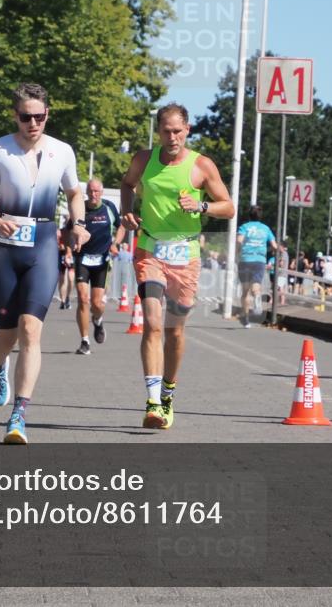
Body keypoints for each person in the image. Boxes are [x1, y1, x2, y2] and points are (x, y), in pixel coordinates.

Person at [0, 82, 90, 444]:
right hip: (5, 246)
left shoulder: (62, 151)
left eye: (39, 116)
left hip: (44, 244)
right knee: (6, 335)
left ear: (48, 114)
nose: (33, 123)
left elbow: (74, 192)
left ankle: (19, 415)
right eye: (25, 117)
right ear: (15, 116)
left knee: (31, 329)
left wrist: (78, 224)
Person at [120, 104, 234, 429]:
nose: (172, 137)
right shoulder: (144, 160)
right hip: (150, 249)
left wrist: (201, 205)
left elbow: (229, 207)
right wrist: (127, 212)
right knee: (153, 324)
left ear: (187, 130)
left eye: (177, 131)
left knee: (175, 331)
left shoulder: (201, 166)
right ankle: (153, 401)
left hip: (186, 257)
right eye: (166, 131)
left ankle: (169, 392)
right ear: (158, 131)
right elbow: (127, 185)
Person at [73, 178, 126, 355]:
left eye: (96, 191)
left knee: (96, 303)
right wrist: (71, 244)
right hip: (82, 258)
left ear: (101, 192)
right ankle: (84, 341)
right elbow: (68, 230)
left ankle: (97, 319)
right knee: (82, 298)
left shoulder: (109, 208)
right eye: (90, 191)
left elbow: (121, 227)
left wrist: (115, 243)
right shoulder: (80, 208)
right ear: (86, 192)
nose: (93, 194)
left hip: (102, 260)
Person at [236, 205, 278, 327]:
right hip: (259, 260)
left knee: (245, 291)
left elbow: (239, 241)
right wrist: (275, 254)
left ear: (249, 215)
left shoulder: (244, 227)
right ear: (260, 216)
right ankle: (258, 299)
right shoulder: (266, 229)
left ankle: (246, 318)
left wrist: (236, 253)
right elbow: (275, 246)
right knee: (256, 286)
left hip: (245, 259)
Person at [57, 228, 75, 309]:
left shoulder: (76, 231)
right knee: (61, 279)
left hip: (71, 256)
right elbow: (57, 244)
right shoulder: (61, 231)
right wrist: (60, 246)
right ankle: (62, 300)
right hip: (62, 256)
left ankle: (68, 297)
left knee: (71, 279)